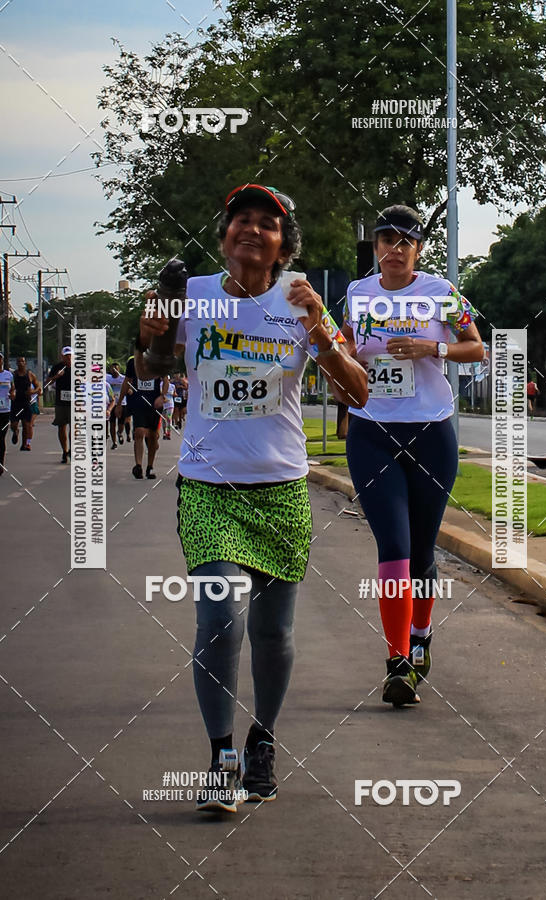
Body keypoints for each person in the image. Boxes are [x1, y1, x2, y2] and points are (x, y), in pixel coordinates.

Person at [137, 184, 367, 812]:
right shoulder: (194, 295)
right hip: (208, 487)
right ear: (224, 235)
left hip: (282, 487)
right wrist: (151, 333)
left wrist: (320, 327)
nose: (252, 230)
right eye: (242, 219)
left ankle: (263, 739)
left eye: (267, 224)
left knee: (273, 632)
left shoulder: (299, 303)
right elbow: (152, 368)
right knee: (218, 622)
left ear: (282, 246)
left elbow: (358, 394)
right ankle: (221, 756)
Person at [342, 204, 484, 707]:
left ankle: (422, 637)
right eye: (387, 239)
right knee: (394, 549)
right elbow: (343, 352)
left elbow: (477, 348)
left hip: (430, 433)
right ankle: (397, 663)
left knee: (423, 552)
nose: (395, 248)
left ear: (418, 248)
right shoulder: (358, 296)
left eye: (405, 240)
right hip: (372, 433)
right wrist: (343, 365)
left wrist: (432, 349)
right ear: (376, 246)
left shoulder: (441, 295)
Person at [115, 355, 169, 479]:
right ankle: (138, 466)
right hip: (138, 402)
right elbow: (126, 382)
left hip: (154, 403)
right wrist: (119, 404)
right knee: (139, 432)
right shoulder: (133, 362)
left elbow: (166, 381)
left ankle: (150, 467)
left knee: (152, 436)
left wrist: (162, 396)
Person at [10, 356, 38, 452]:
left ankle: (24, 445)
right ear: (17, 364)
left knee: (26, 425)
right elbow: (9, 387)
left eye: (22, 361)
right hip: (15, 402)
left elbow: (39, 388)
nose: (21, 363)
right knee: (13, 424)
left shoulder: (30, 374)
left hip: (26, 402)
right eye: (19, 361)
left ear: (25, 363)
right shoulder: (13, 375)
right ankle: (16, 431)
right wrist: (11, 393)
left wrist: (32, 391)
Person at [0, 353, 14, 475]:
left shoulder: (8, 375)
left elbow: (12, 389)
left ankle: (1, 463)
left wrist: (12, 394)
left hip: (5, 410)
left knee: (1, 437)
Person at [106, 363, 127, 448]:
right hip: (111, 403)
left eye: (116, 369)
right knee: (112, 423)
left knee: (121, 423)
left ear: (119, 370)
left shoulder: (123, 378)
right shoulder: (107, 378)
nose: (114, 370)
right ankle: (114, 442)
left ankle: (120, 433)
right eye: (112, 369)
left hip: (122, 403)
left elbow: (129, 385)